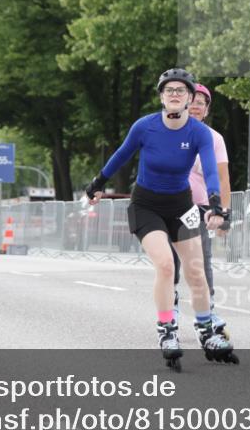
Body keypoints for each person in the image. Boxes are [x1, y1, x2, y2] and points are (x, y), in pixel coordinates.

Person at [84, 68, 236, 370]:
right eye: (169, 90)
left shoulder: (199, 133)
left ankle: (207, 331)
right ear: (162, 97)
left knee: (196, 272)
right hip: (147, 205)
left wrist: (216, 205)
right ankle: (167, 330)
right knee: (166, 265)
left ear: (190, 97)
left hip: (182, 206)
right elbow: (121, 155)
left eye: (181, 90)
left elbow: (211, 170)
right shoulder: (145, 126)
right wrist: (98, 183)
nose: (175, 94)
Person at [171, 83, 232, 336]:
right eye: (192, 101)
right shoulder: (169, 131)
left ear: (206, 110)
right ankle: (170, 310)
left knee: (201, 261)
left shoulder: (214, 138)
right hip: (170, 204)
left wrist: (224, 213)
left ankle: (208, 312)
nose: (195, 106)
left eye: (201, 103)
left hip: (200, 208)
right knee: (170, 261)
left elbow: (223, 178)